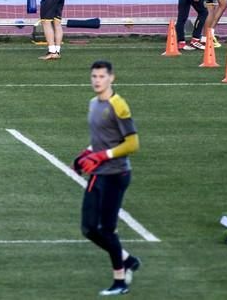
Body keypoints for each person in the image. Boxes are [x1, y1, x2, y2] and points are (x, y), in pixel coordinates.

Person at [73, 61, 141, 296]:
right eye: (94, 76)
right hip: (98, 173)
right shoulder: (93, 104)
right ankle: (128, 259)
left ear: (111, 78)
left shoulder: (118, 106)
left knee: (107, 229)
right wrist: (85, 153)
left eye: (101, 76)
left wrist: (103, 155)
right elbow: (102, 138)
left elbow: (132, 143)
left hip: (116, 174)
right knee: (89, 228)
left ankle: (120, 280)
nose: (97, 80)